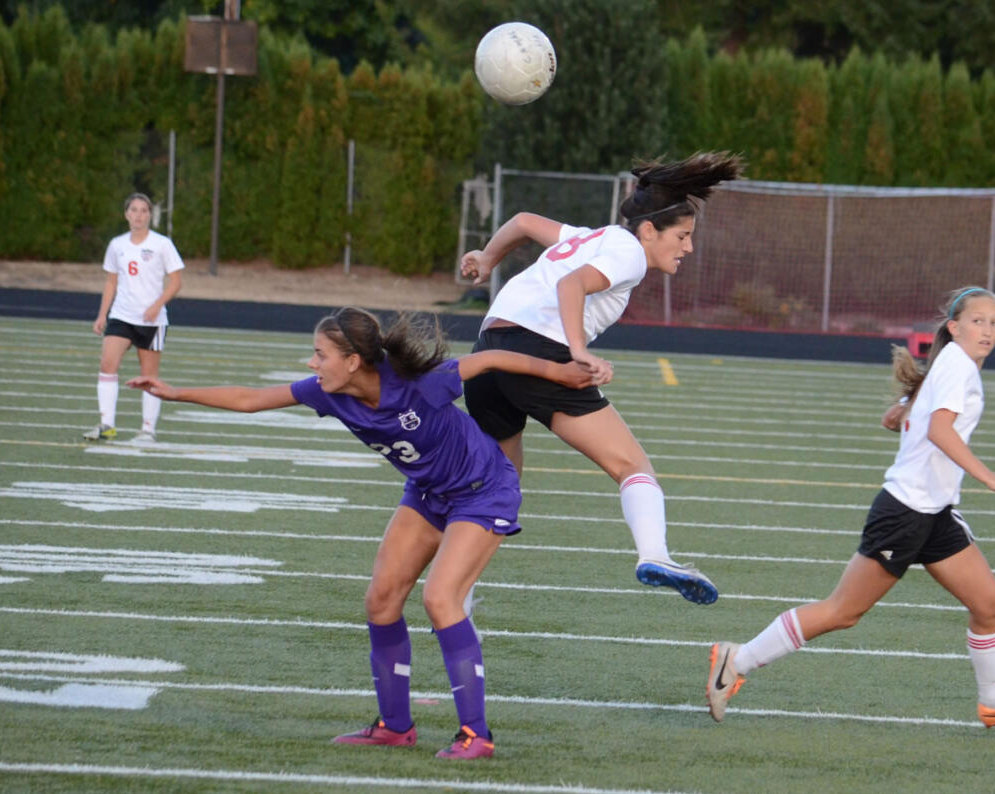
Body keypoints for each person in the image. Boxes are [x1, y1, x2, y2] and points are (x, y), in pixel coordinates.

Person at [129, 306, 604, 759]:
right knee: (380, 600)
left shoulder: (422, 384)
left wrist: (561, 374)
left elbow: (492, 358)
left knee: (440, 599)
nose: (312, 363)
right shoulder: (328, 391)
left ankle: (476, 735)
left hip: (483, 490)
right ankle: (395, 727)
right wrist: (174, 392)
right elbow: (252, 399)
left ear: (353, 361)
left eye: (320, 354)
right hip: (427, 492)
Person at [706, 286, 995, 728]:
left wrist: (903, 408)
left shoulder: (953, 365)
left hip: (935, 511)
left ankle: (993, 701)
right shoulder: (958, 368)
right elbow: (940, 432)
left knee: (988, 604)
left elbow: (905, 417)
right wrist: (993, 479)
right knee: (843, 611)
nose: (987, 330)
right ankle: (736, 660)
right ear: (954, 326)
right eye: (977, 320)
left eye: (994, 322)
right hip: (906, 511)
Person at [459, 152, 744, 606]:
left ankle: (459, 592)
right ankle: (656, 555)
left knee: (499, 490)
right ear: (649, 230)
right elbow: (570, 286)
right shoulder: (629, 253)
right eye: (683, 235)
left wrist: (488, 258)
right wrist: (578, 351)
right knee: (633, 466)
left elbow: (525, 221)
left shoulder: (598, 237)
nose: (688, 247)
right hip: (540, 350)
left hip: (490, 349)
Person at [85, 193, 184, 444]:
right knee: (107, 364)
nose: (138, 215)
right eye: (134, 210)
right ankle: (107, 424)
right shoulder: (117, 244)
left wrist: (156, 305)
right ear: (126, 214)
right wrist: (102, 314)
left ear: (150, 215)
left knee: (149, 375)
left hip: (152, 321)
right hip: (121, 315)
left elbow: (176, 282)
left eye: (143, 211)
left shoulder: (162, 244)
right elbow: (111, 281)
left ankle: (148, 429)